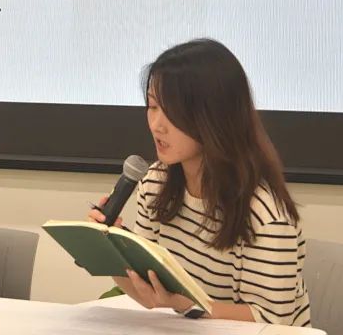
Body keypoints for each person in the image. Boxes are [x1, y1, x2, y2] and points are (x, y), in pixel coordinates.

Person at [89, 38, 310, 326]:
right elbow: (151, 296)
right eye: (153, 106)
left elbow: (272, 320)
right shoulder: (155, 183)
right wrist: (110, 250)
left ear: (213, 116)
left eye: (172, 112)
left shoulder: (265, 214)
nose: (156, 125)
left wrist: (187, 304)